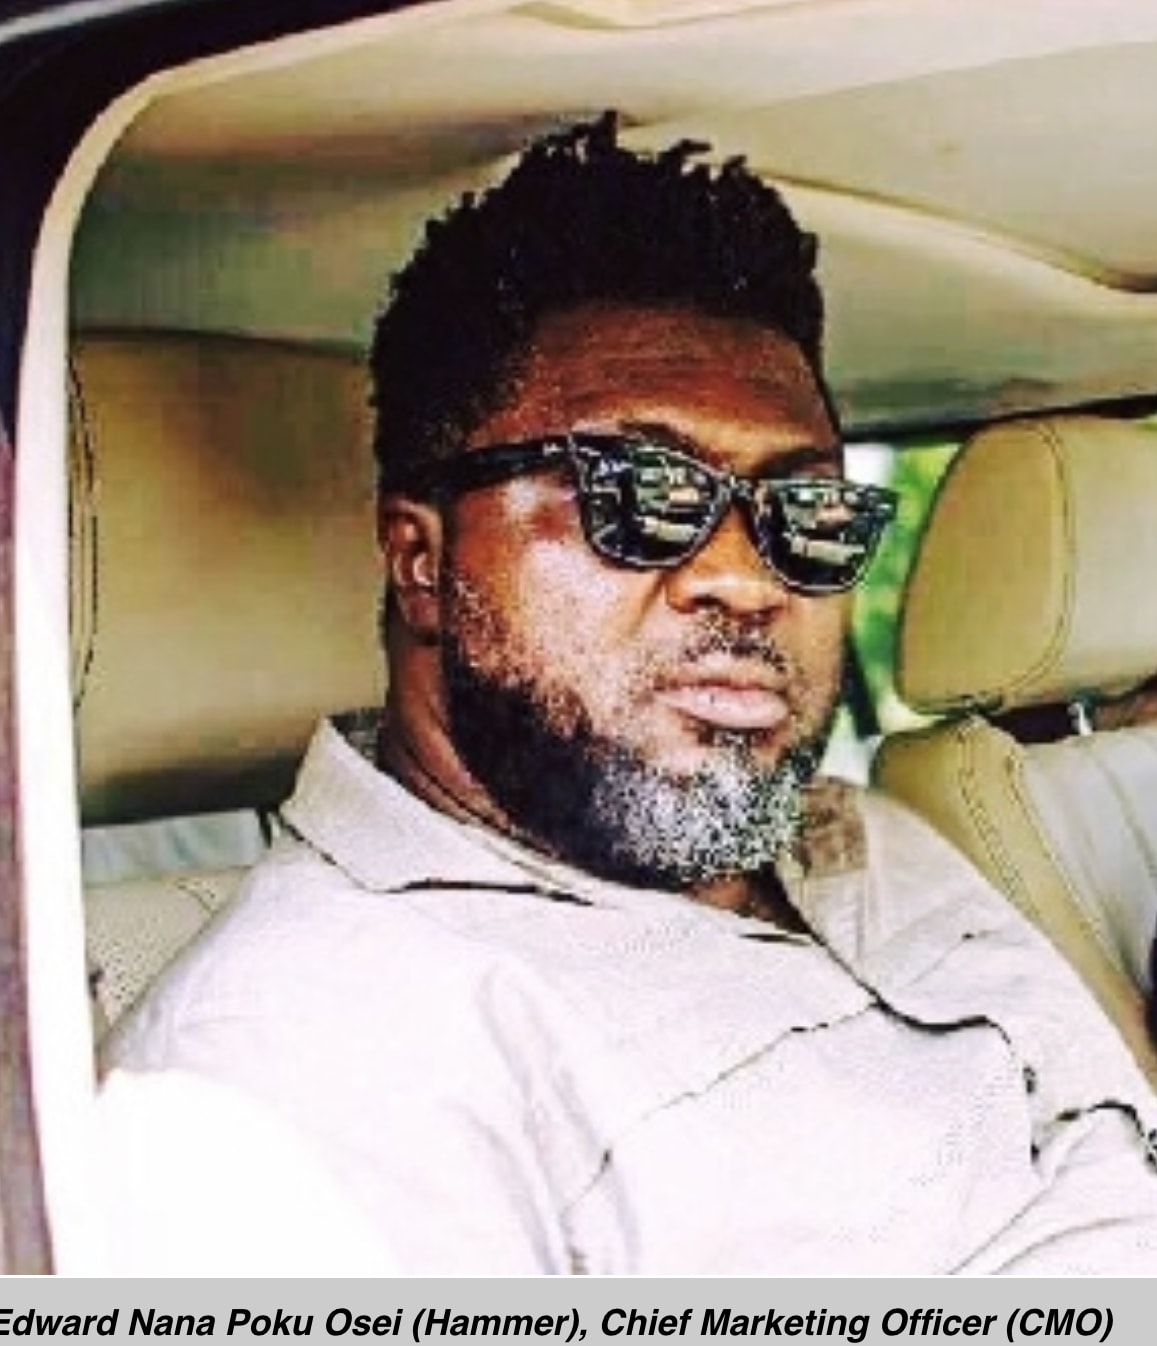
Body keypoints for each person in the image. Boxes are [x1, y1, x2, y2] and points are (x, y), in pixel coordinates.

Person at [104, 114, 1157, 1275]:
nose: (746, 579)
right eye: (641, 495)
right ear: (422, 562)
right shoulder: (293, 1070)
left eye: (801, 511)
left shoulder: (854, 835)